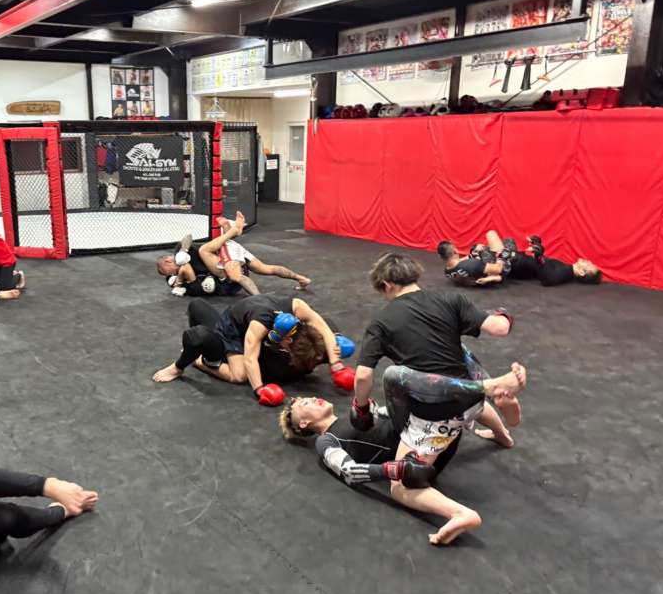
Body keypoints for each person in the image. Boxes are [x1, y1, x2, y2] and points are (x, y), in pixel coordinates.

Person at [351, 253, 527, 544]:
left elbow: (362, 376)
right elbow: (499, 328)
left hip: (436, 416)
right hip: (471, 399)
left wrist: (360, 407)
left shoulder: (381, 321)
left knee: (399, 486)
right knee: (466, 371)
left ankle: (459, 513)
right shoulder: (450, 299)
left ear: (387, 285)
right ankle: (502, 434)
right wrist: (504, 313)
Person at [153, 295, 354, 406]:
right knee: (239, 375)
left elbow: (323, 327)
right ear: (288, 340)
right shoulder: (261, 324)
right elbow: (250, 358)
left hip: (254, 315)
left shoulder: (298, 308)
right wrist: (259, 390)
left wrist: (336, 365)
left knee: (328, 334)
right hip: (233, 329)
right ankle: (196, 361)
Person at [155, 211, 311, 297]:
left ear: (168, 261)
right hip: (227, 250)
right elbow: (184, 273)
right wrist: (178, 282)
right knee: (264, 268)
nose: (175, 272)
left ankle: (260, 299)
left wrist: (183, 250)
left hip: (225, 252)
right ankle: (302, 279)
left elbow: (188, 237)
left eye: (171, 270)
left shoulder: (179, 252)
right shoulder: (179, 273)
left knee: (210, 255)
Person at [507, 235, 603, 286]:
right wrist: (536, 245)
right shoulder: (565, 268)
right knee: (509, 241)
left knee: (499, 238)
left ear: (581, 272)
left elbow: (548, 279)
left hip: (513, 263)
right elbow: (543, 265)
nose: (588, 261)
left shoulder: (565, 272)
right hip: (518, 259)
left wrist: (538, 256)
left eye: (589, 265)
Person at [437, 230, 515, 287]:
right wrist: (502, 256)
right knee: (496, 236)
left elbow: (459, 263)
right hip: (501, 269)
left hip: (479, 271)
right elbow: (498, 269)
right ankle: (511, 253)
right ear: (455, 251)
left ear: (440, 256)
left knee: (479, 248)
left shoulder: (447, 271)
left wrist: (474, 253)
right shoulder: (472, 264)